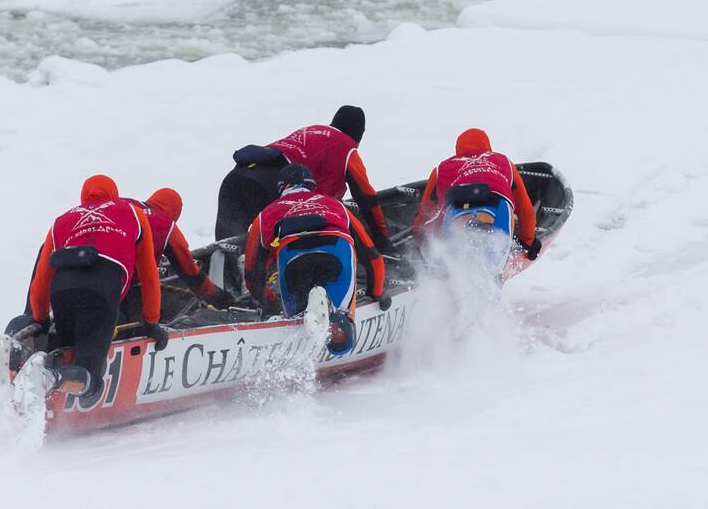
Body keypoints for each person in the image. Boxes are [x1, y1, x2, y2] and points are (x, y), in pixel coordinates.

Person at [21, 175, 168, 401]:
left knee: (69, 351)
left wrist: (39, 319)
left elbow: (41, 280)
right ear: (114, 194)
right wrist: (151, 322)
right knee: (91, 376)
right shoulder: (133, 213)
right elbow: (149, 273)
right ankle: (53, 380)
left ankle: (49, 385)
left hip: (63, 290)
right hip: (102, 287)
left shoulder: (61, 221)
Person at [243, 164, 388, 355]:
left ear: (280, 188)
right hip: (336, 249)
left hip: (292, 256)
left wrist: (272, 304)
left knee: (295, 317)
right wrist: (376, 293)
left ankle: (301, 325)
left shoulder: (263, 217)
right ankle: (337, 323)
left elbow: (252, 276)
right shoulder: (335, 205)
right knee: (342, 323)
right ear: (312, 186)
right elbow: (372, 257)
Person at [214, 105, 391, 252]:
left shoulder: (311, 131)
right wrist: (382, 239)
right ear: (358, 135)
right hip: (270, 186)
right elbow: (366, 198)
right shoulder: (347, 147)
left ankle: (227, 284)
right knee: (282, 240)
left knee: (227, 245)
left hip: (236, 177)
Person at [413, 128, 541, 263]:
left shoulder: (441, 169)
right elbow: (526, 210)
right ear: (488, 146)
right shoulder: (504, 162)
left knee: (455, 270)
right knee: (494, 268)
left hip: (455, 213)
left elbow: (426, 215)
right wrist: (528, 243)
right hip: (497, 207)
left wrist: (421, 243)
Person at [127, 188, 235, 309]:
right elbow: (189, 271)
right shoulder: (165, 224)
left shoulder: (126, 204)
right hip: (118, 277)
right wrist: (216, 295)